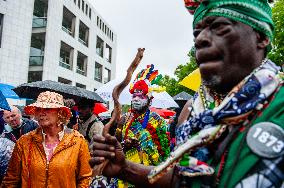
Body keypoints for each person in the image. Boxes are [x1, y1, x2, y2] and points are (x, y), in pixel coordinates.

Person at [89, 0, 284, 187]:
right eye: (196, 33)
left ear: (261, 36)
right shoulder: (193, 112)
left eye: (220, 27)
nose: (200, 39)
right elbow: (180, 179)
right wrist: (124, 168)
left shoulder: (278, 105)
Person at [1, 91, 92, 187]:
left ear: (60, 113)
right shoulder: (24, 142)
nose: (41, 113)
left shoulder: (77, 141)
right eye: (38, 109)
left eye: (47, 108)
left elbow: (85, 179)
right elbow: (11, 180)